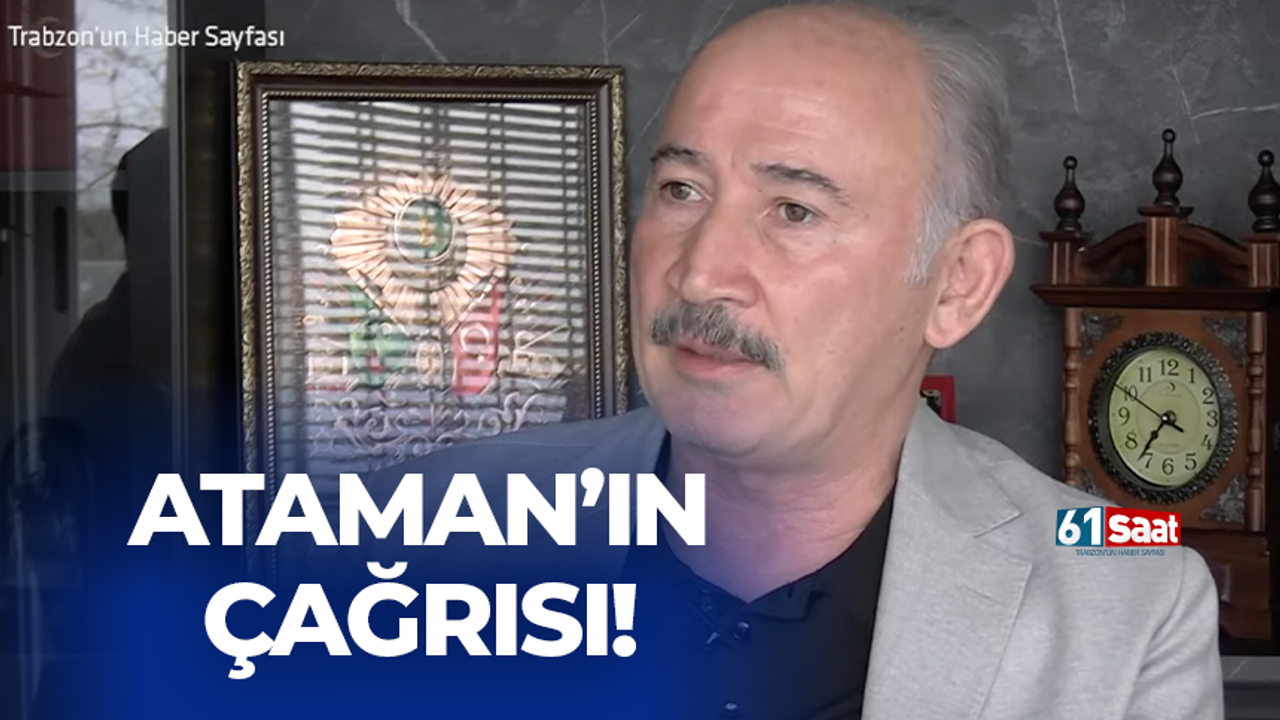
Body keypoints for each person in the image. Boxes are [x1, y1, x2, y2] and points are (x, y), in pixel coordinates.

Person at [358, 3, 1223, 719]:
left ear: (958, 283)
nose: (701, 273)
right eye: (682, 190)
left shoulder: (1126, 604)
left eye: (794, 210)